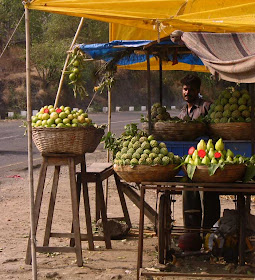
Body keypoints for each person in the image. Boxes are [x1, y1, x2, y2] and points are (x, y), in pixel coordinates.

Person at [178, 74, 220, 231]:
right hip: (189, 163)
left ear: (198, 91)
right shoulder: (183, 112)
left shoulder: (206, 107)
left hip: (208, 162)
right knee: (189, 195)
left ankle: (210, 233)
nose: (187, 92)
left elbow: (216, 129)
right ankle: (192, 232)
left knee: (209, 196)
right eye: (185, 89)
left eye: (191, 89)